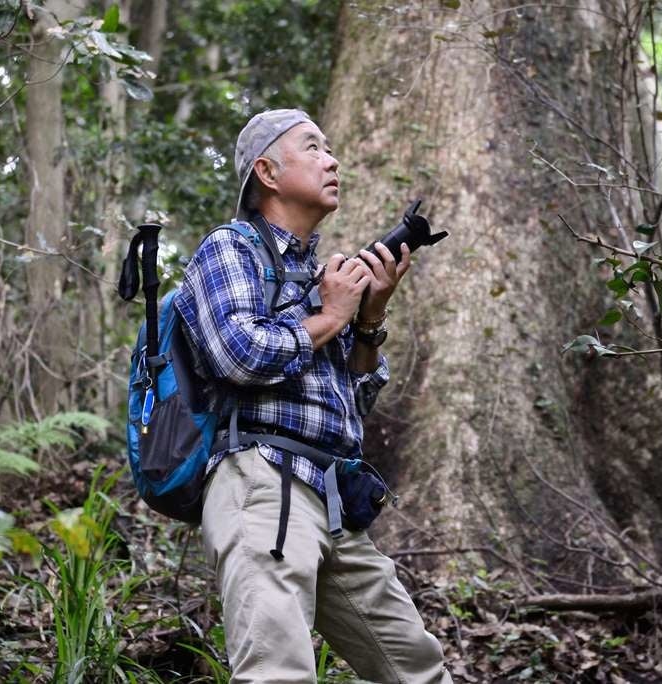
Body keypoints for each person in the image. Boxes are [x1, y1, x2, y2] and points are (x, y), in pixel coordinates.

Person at [174, 109, 452, 683]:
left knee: (417, 669)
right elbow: (239, 355)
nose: (333, 159)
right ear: (267, 172)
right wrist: (330, 316)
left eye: (330, 148)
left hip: (332, 498)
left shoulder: (320, 273)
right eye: (313, 147)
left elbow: (354, 401)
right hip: (263, 483)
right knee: (278, 671)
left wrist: (368, 319)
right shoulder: (230, 249)